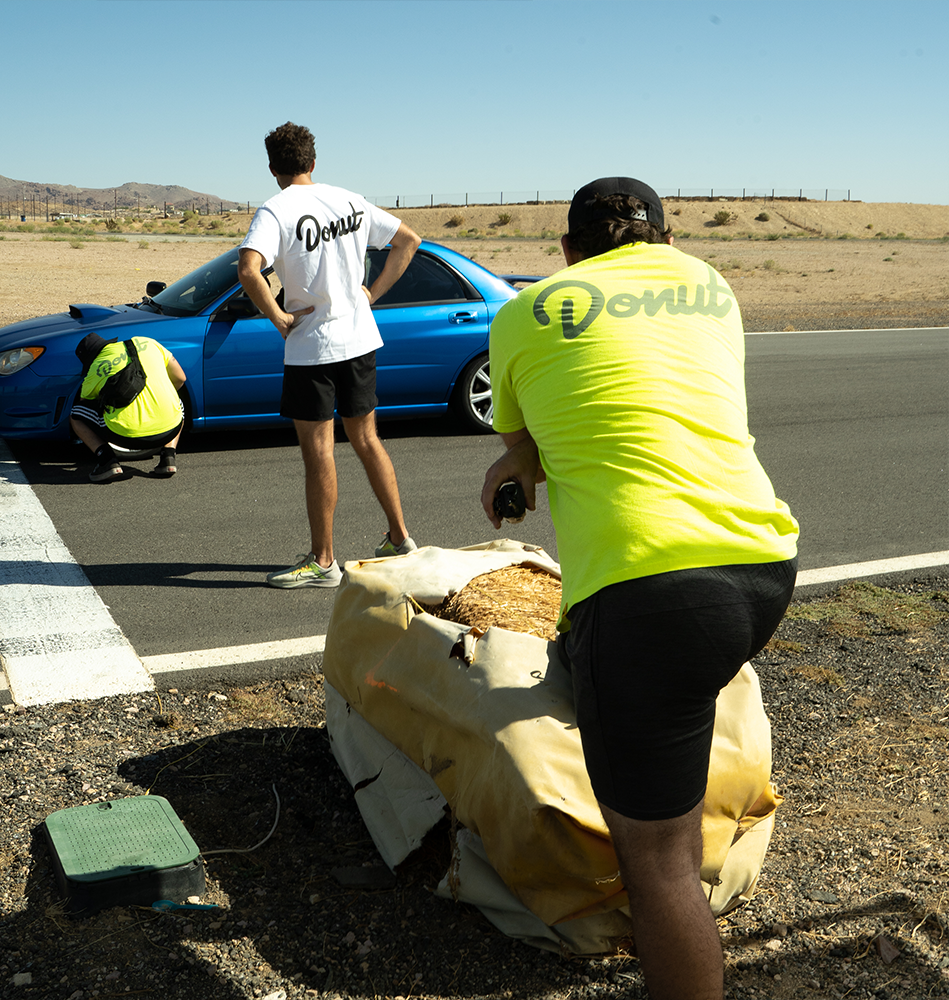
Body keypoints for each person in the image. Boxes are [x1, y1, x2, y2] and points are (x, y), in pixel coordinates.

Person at [480, 178, 800, 1000]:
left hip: (647, 591)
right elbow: (652, 400)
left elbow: (535, 439)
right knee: (641, 695)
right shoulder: (709, 285)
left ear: (565, 251)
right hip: (762, 565)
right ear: (665, 235)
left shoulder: (524, 312)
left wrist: (512, 465)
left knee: (659, 864)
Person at [237, 122, 422, 590]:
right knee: (366, 439)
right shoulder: (348, 200)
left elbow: (248, 269)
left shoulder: (275, 210)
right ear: (313, 162)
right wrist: (371, 295)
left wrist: (279, 318)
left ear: (273, 168)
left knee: (319, 449)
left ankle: (323, 561)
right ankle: (400, 539)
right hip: (359, 341)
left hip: (312, 348)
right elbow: (409, 241)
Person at [70, 332, 186, 482]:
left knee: (76, 414)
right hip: (170, 429)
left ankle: (107, 461)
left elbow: (86, 404)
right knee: (178, 404)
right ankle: (168, 457)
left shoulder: (96, 368)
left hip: (125, 437)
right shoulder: (149, 343)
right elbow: (180, 378)